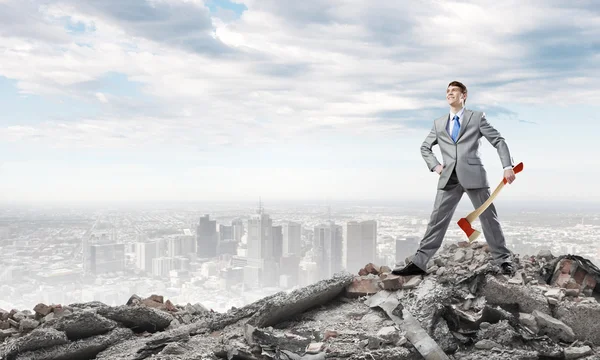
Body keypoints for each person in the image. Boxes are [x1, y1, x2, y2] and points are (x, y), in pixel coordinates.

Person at [393, 81, 517, 276]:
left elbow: (498, 141)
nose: (450, 94)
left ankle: (503, 260)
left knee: (488, 218)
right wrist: (435, 165)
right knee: (436, 220)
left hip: (474, 176)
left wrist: (507, 166)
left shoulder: (476, 118)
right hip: (448, 178)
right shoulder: (439, 123)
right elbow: (425, 147)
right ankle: (419, 263)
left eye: (454, 91)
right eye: (447, 91)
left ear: (464, 95)